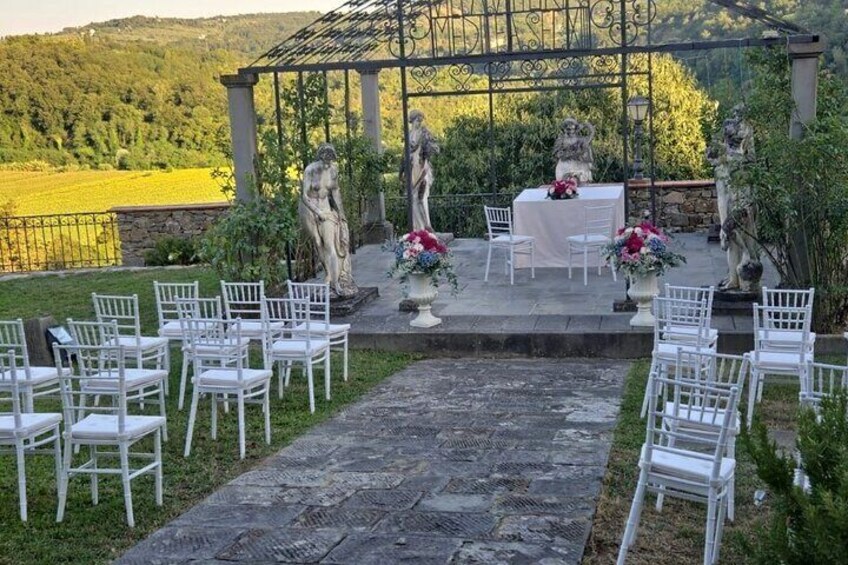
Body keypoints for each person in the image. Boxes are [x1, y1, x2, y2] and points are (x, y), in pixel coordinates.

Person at [708, 104, 762, 292]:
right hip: (746, 209)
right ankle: (742, 279)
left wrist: (724, 225)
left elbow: (722, 200)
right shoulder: (746, 165)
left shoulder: (724, 167)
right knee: (747, 241)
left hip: (737, 210)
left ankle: (738, 278)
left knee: (735, 243)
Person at [299, 143, 358, 298]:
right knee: (318, 243)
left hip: (326, 211)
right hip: (309, 210)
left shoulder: (333, 170)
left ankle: (335, 281)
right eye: (326, 158)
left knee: (330, 245)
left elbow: (335, 192)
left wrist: (341, 213)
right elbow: (304, 196)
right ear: (320, 156)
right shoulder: (310, 170)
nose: (328, 162)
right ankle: (328, 274)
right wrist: (317, 211)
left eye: (331, 159)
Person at [401, 109, 440, 232]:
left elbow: (435, 148)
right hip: (412, 168)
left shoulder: (424, 133)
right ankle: (418, 228)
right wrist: (401, 172)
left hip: (422, 167)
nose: (419, 123)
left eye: (420, 120)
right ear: (412, 121)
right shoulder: (408, 135)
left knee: (422, 198)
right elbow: (404, 154)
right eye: (417, 120)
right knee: (412, 198)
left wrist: (427, 153)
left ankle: (427, 225)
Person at [554, 117, 595, 184]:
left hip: (578, 165)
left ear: (575, 129)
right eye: (567, 129)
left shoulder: (580, 140)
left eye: (572, 129)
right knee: (564, 184)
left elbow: (591, 134)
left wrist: (585, 125)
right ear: (564, 129)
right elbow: (557, 153)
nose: (570, 131)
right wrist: (569, 154)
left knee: (582, 182)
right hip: (565, 166)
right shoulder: (561, 140)